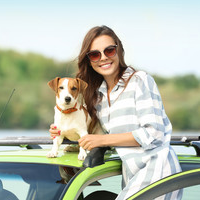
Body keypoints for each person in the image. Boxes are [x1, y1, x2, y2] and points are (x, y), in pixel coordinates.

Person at [50, 25, 182, 200]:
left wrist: (102, 140)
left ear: (119, 50)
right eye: (95, 54)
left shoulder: (139, 81)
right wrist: (63, 130)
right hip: (131, 176)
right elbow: (91, 131)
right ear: (89, 59)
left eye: (109, 51)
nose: (103, 58)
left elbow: (154, 133)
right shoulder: (98, 96)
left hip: (158, 173)